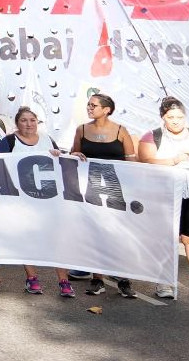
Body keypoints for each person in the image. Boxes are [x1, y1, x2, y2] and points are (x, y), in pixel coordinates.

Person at [138, 97, 189, 302]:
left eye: (180, 117)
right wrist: (174, 160)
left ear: (185, 117)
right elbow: (145, 161)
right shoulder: (152, 136)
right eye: (170, 117)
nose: (175, 121)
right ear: (163, 117)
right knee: (166, 238)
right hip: (164, 192)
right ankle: (164, 282)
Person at [68, 92, 138, 298]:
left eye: (94, 105)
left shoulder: (120, 131)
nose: (89, 108)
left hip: (117, 191)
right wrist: (74, 155)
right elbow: (73, 154)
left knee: (119, 236)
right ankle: (97, 279)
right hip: (91, 190)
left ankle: (124, 280)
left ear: (106, 110)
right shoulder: (82, 129)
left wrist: (134, 188)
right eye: (88, 105)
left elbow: (131, 161)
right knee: (95, 234)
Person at [0, 106, 69, 295]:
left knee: (56, 238)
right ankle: (32, 278)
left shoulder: (47, 139)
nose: (29, 124)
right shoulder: (9, 141)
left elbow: (61, 162)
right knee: (26, 237)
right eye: (24, 120)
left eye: (32, 120)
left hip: (48, 196)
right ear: (17, 124)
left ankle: (64, 281)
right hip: (22, 198)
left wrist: (64, 156)